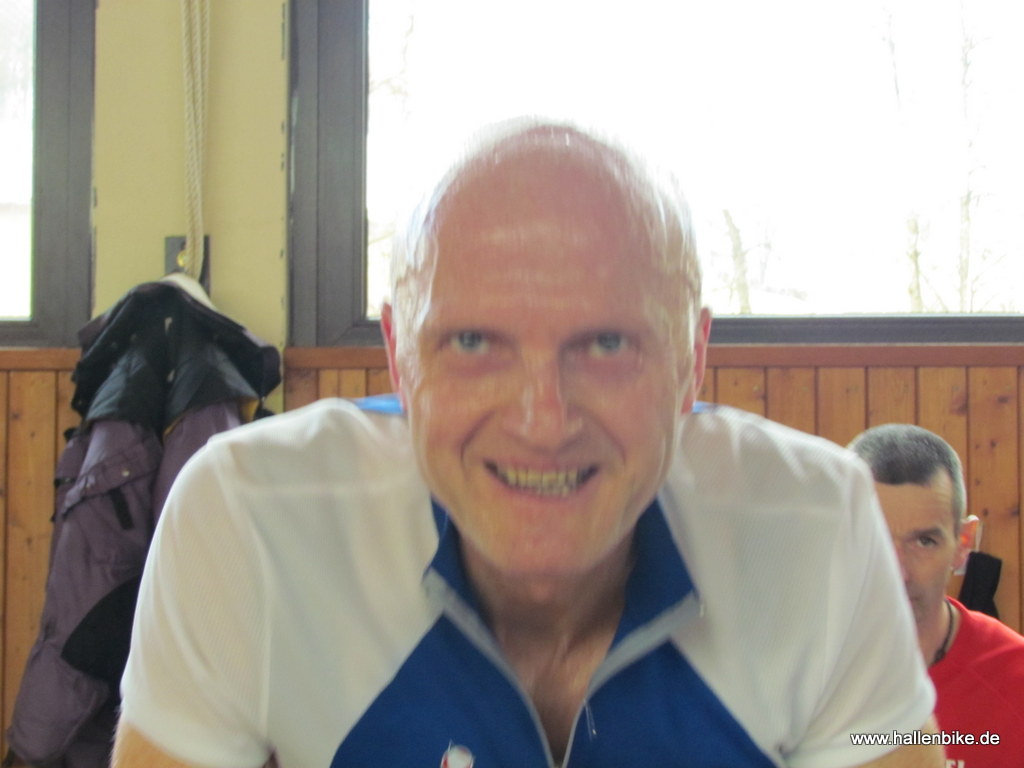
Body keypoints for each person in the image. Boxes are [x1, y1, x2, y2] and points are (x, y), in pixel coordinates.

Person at [112, 119, 943, 767]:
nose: (543, 422)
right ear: (400, 358)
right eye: (473, 343)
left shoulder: (821, 525)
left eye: (608, 345)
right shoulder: (250, 519)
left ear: (692, 362)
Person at [849, 423, 1024, 767]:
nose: (897, 572)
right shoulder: (784, 673)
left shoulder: (1014, 681)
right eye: (873, 537)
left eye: (924, 541)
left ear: (963, 543)